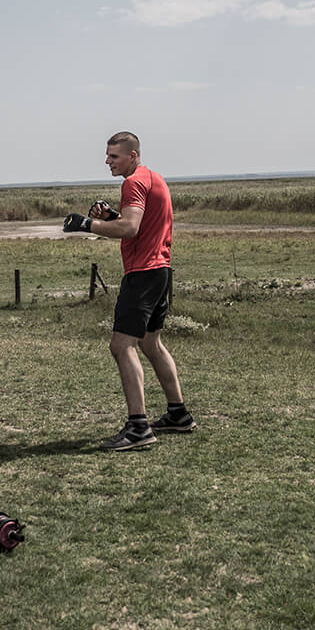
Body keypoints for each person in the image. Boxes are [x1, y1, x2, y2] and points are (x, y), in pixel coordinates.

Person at [63, 131, 194, 450]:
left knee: (122, 346)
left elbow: (130, 229)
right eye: (107, 156)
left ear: (132, 155)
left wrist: (87, 225)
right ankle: (178, 414)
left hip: (143, 273)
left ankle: (138, 427)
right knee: (151, 343)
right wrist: (111, 217)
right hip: (160, 269)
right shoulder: (155, 179)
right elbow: (138, 225)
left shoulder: (133, 182)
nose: (108, 161)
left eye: (114, 156)